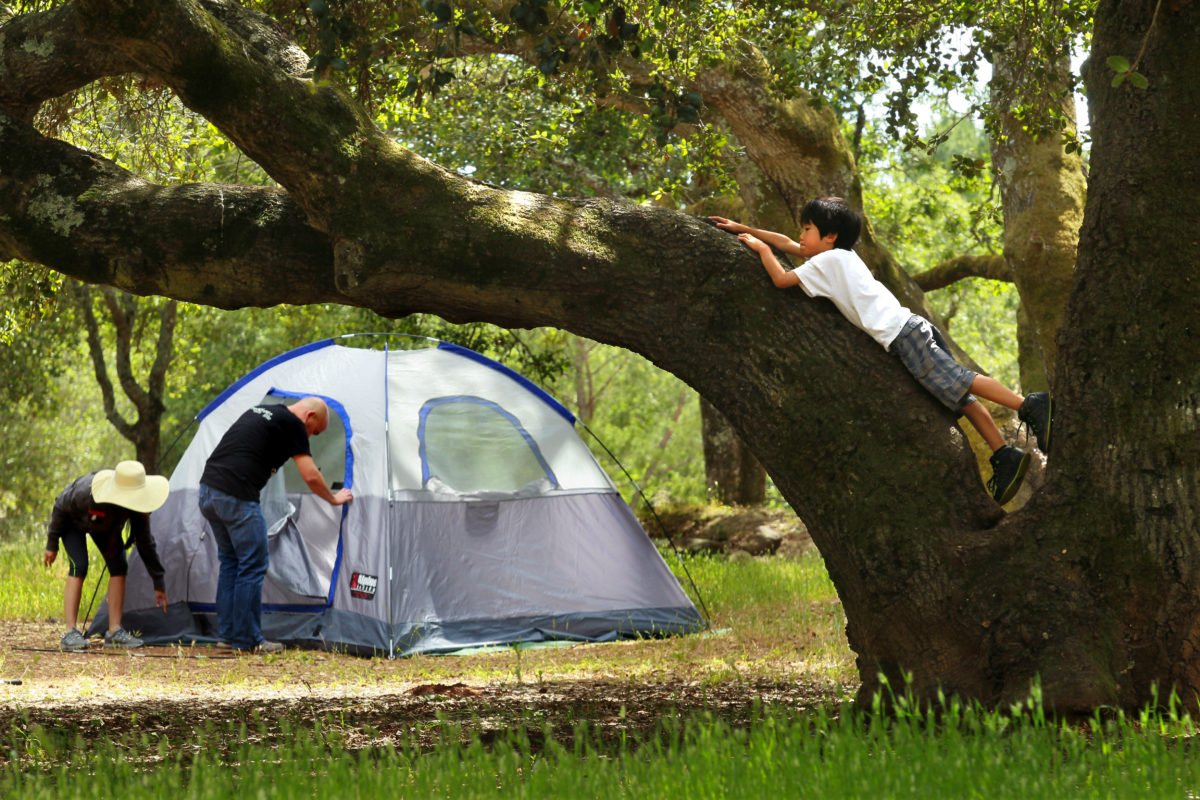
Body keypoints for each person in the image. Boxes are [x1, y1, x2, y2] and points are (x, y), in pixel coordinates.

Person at [711, 197, 1052, 505]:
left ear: (829, 236)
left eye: (807, 228)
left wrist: (760, 250)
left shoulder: (826, 263)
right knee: (959, 395)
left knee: (961, 381)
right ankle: (1003, 453)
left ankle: (1028, 404)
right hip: (909, 328)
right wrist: (743, 228)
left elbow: (781, 280)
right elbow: (790, 244)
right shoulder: (841, 255)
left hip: (901, 335)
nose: (800, 236)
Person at [198, 396, 353, 653]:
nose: (310, 438)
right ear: (309, 417)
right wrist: (333, 499)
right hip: (236, 496)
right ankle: (248, 640)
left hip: (208, 491)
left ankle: (227, 637)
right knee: (253, 565)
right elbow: (311, 475)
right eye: (313, 432)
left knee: (232, 563)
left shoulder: (261, 410)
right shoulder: (293, 424)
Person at [44, 461, 170, 651]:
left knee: (119, 566)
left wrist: (158, 581)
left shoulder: (136, 509)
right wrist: (51, 544)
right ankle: (70, 633)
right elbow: (60, 505)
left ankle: (114, 632)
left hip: (101, 524)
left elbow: (145, 543)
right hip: (72, 521)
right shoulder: (86, 493)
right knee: (80, 566)